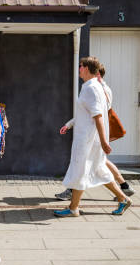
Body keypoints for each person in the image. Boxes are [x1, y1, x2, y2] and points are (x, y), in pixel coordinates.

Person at [53, 57, 131, 217]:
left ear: (87, 68)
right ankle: (123, 198)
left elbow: (98, 116)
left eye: (81, 66)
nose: (79, 69)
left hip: (87, 140)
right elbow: (88, 114)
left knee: (80, 171)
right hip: (90, 139)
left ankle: (73, 208)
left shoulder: (91, 88)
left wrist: (103, 141)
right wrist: (69, 125)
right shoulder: (94, 86)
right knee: (99, 170)